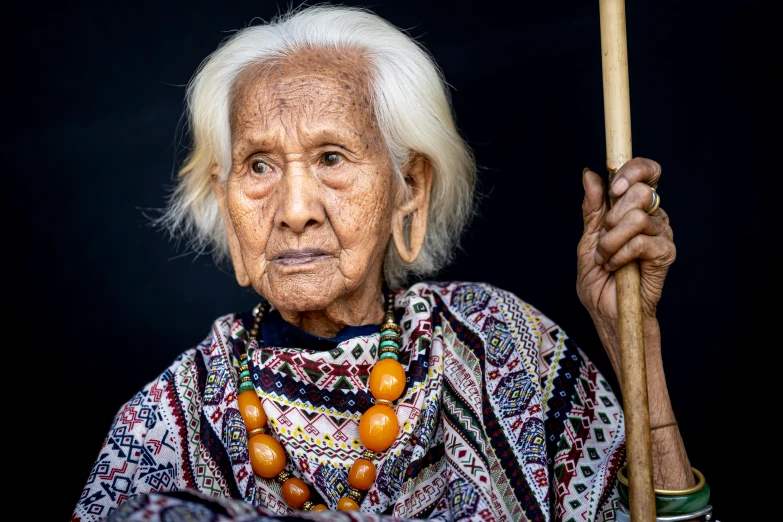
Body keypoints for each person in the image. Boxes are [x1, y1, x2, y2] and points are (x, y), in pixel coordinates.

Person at [71, 5, 712, 522]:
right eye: (259, 166)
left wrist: (634, 337)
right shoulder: (170, 416)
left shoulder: (498, 344)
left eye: (331, 158)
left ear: (409, 188)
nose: (295, 209)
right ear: (226, 199)